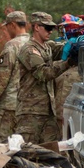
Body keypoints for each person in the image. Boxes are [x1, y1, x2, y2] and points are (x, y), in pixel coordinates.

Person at [15, 12, 70, 144]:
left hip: (47, 112)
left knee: (51, 152)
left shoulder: (46, 47)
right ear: (36, 27)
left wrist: (75, 45)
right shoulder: (28, 50)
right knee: (28, 154)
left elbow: (61, 49)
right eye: (47, 27)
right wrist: (68, 63)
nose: (50, 31)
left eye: (52, 28)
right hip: (30, 113)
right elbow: (44, 73)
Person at [0, 11, 29, 141]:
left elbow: (1, 79)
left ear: (12, 25)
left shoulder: (12, 46)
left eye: (7, 26)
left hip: (8, 106)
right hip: (28, 106)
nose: (7, 30)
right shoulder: (34, 43)